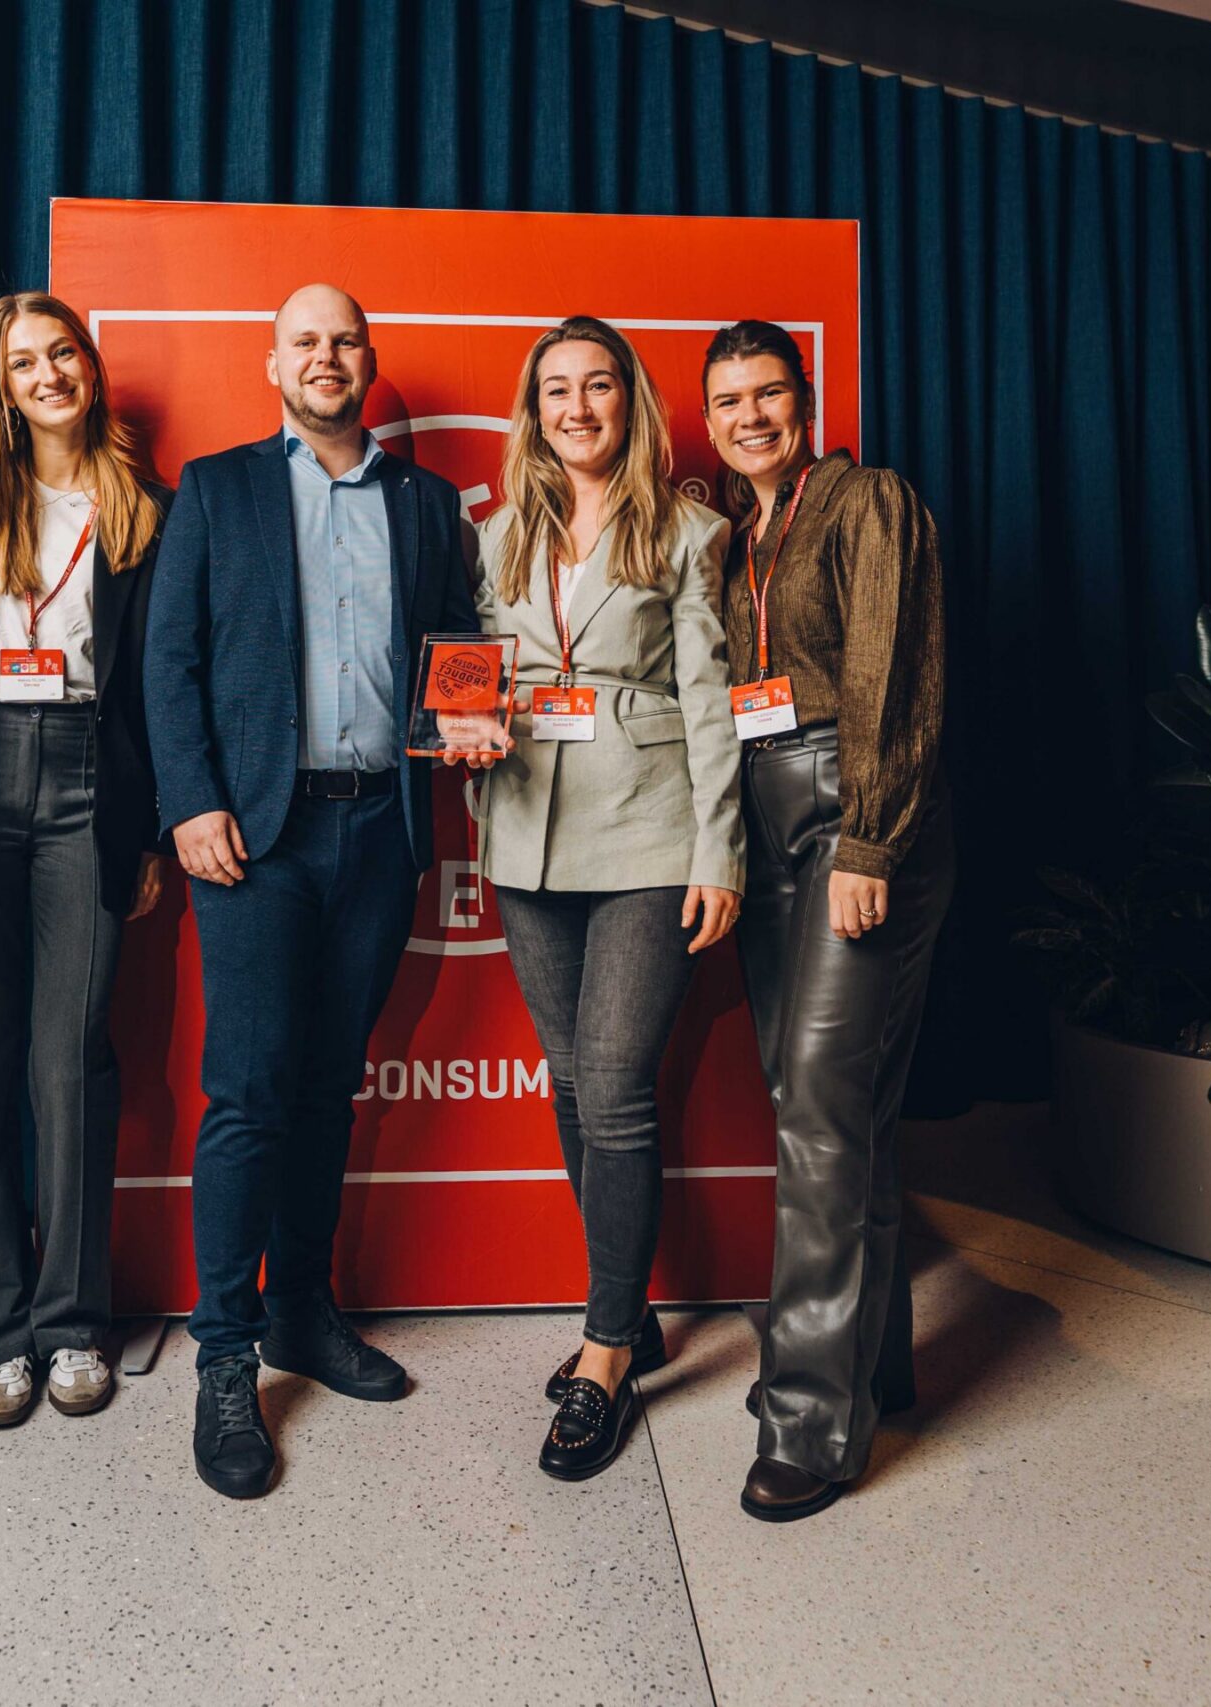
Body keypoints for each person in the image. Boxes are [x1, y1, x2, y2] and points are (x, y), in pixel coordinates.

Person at [143, 283, 478, 1500]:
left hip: (380, 831)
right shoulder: (217, 488)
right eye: (304, 341)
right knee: (248, 1094)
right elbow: (169, 659)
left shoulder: (427, 504)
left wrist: (467, 720)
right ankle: (224, 1356)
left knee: (331, 1088)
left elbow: (454, 651)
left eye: (343, 340)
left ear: (368, 363)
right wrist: (191, 802)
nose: (325, 356)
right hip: (254, 839)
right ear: (273, 365)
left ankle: (301, 1310)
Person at [468, 317, 743, 1482]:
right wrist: (462, 731)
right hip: (525, 832)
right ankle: (627, 1314)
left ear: (629, 401)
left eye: (597, 386)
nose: (576, 408)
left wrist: (719, 854)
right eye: (555, 391)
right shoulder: (496, 536)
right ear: (532, 411)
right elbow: (470, 673)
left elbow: (712, 700)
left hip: (647, 831)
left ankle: (605, 1350)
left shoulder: (688, 531)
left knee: (619, 1086)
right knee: (574, 1081)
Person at [0, 292, 168, 1430]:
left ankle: (71, 1322)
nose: (48, 374)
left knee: (71, 1061)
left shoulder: (145, 505)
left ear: (89, 368)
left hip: (91, 780)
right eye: (23, 364)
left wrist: (150, 828)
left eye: (63, 354)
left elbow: (162, 682)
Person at [702, 320, 951, 1523]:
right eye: (726, 401)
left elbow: (891, 676)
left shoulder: (866, 501)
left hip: (850, 807)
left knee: (817, 1104)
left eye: (766, 394)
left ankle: (808, 1420)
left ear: (803, 402)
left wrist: (869, 841)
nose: (748, 417)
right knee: (830, 1107)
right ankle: (869, 1368)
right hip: (760, 812)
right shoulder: (731, 535)